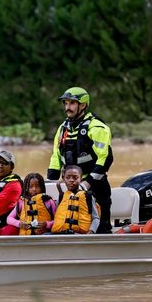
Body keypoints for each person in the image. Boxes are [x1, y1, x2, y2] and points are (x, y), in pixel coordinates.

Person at [47, 86, 113, 234]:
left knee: (101, 228)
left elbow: (106, 158)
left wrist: (87, 182)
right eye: (65, 103)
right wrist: (50, 182)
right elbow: (56, 156)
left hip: (95, 185)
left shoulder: (97, 127)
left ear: (83, 105)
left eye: (72, 103)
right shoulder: (62, 128)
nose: (67, 107)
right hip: (70, 183)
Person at [52, 165, 99, 234]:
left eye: (75, 177)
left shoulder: (87, 196)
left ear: (81, 179)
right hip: (61, 234)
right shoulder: (61, 197)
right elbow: (56, 217)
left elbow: (96, 218)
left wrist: (90, 232)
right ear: (63, 179)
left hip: (80, 235)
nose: (71, 180)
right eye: (67, 178)